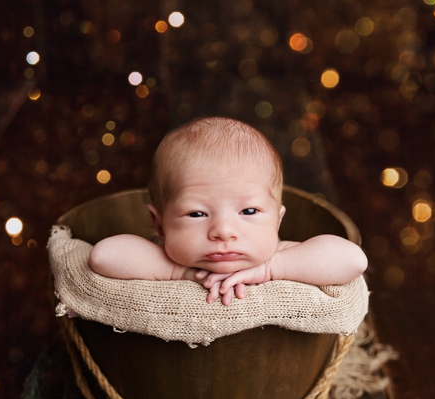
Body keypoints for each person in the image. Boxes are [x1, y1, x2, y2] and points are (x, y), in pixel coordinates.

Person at [88, 117, 368, 306]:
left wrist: (270, 269)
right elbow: (103, 256)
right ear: (159, 225)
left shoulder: (282, 257)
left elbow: (353, 261)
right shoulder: (162, 257)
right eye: (197, 214)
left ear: (278, 221)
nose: (223, 231)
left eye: (248, 211)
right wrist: (178, 272)